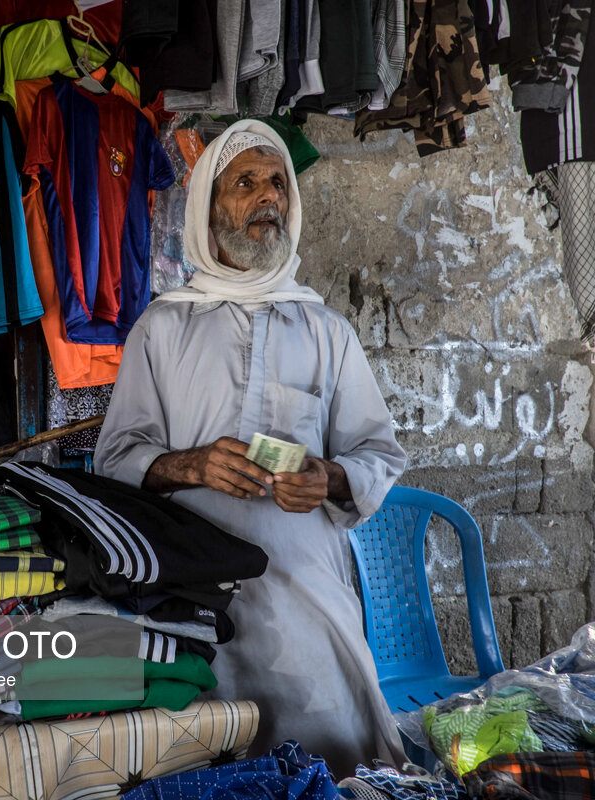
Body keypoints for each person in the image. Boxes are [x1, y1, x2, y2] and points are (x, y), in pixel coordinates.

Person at [94, 119, 408, 777]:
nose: (267, 197)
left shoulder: (326, 329)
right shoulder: (162, 327)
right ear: (211, 208)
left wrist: (331, 477)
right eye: (245, 182)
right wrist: (188, 463)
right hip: (191, 599)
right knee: (211, 761)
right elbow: (116, 456)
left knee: (329, 765)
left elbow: (378, 452)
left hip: (307, 600)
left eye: (276, 183)